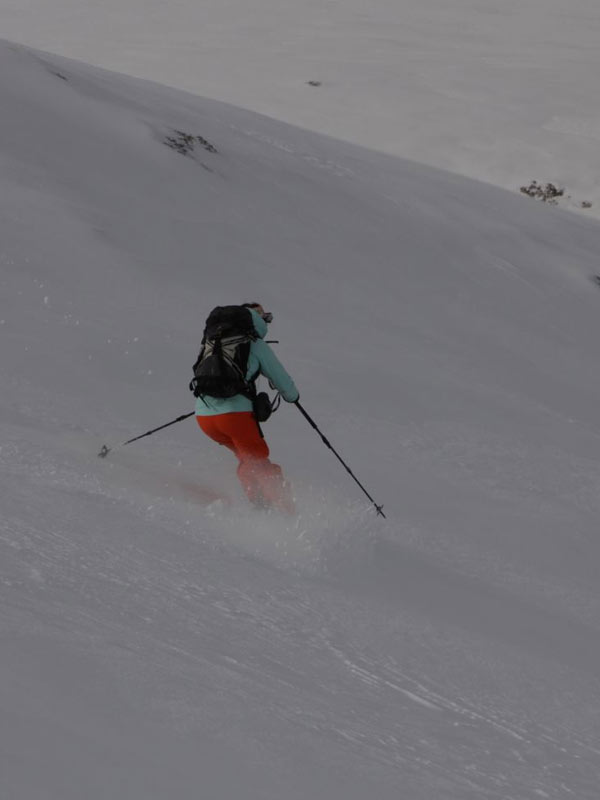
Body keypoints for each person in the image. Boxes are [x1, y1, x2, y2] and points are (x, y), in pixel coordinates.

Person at [194, 303, 299, 513]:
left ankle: (260, 504)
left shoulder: (213, 339)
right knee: (258, 460)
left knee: (247, 457)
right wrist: (293, 396)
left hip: (204, 417)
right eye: (266, 318)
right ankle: (285, 511)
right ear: (258, 320)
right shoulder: (254, 343)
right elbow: (283, 382)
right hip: (235, 417)